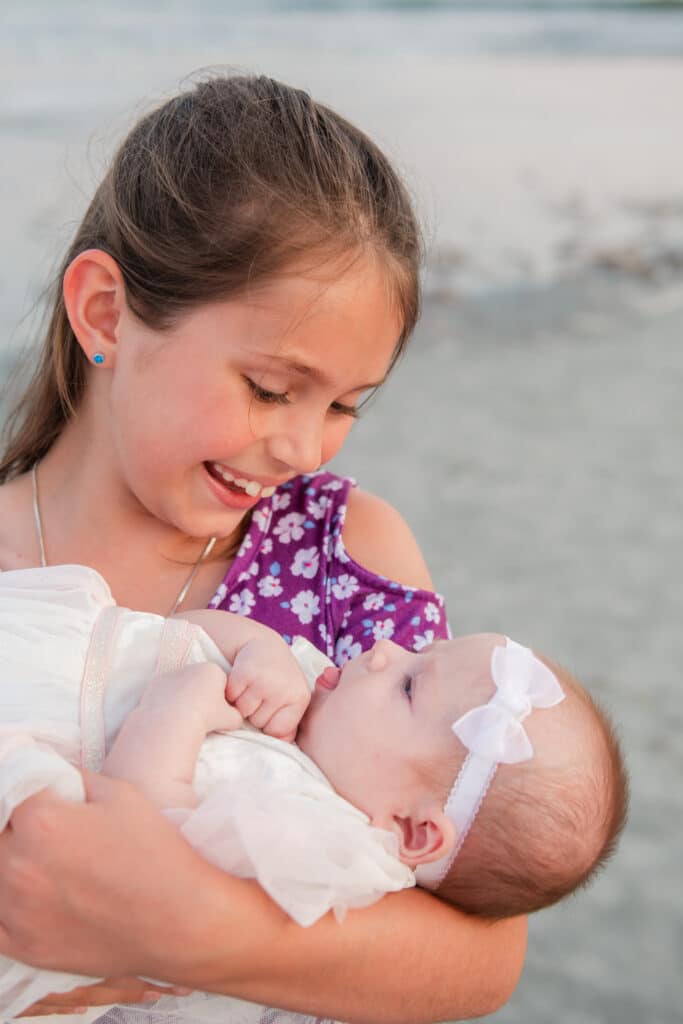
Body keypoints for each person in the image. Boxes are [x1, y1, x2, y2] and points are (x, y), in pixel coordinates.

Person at [0, 74, 527, 1023]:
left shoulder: (344, 552)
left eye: (344, 407)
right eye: (272, 388)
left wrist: (184, 925)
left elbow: (482, 956)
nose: (302, 447)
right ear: (106, 312)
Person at [0, 563, 627, 1020]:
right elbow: (171, 634)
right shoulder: (316, 710)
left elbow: (137, 852)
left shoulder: (310, 839)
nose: (383, 650)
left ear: (412, 830)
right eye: (416, 650)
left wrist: (183, 706)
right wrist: (257, 647)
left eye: (409, 685)